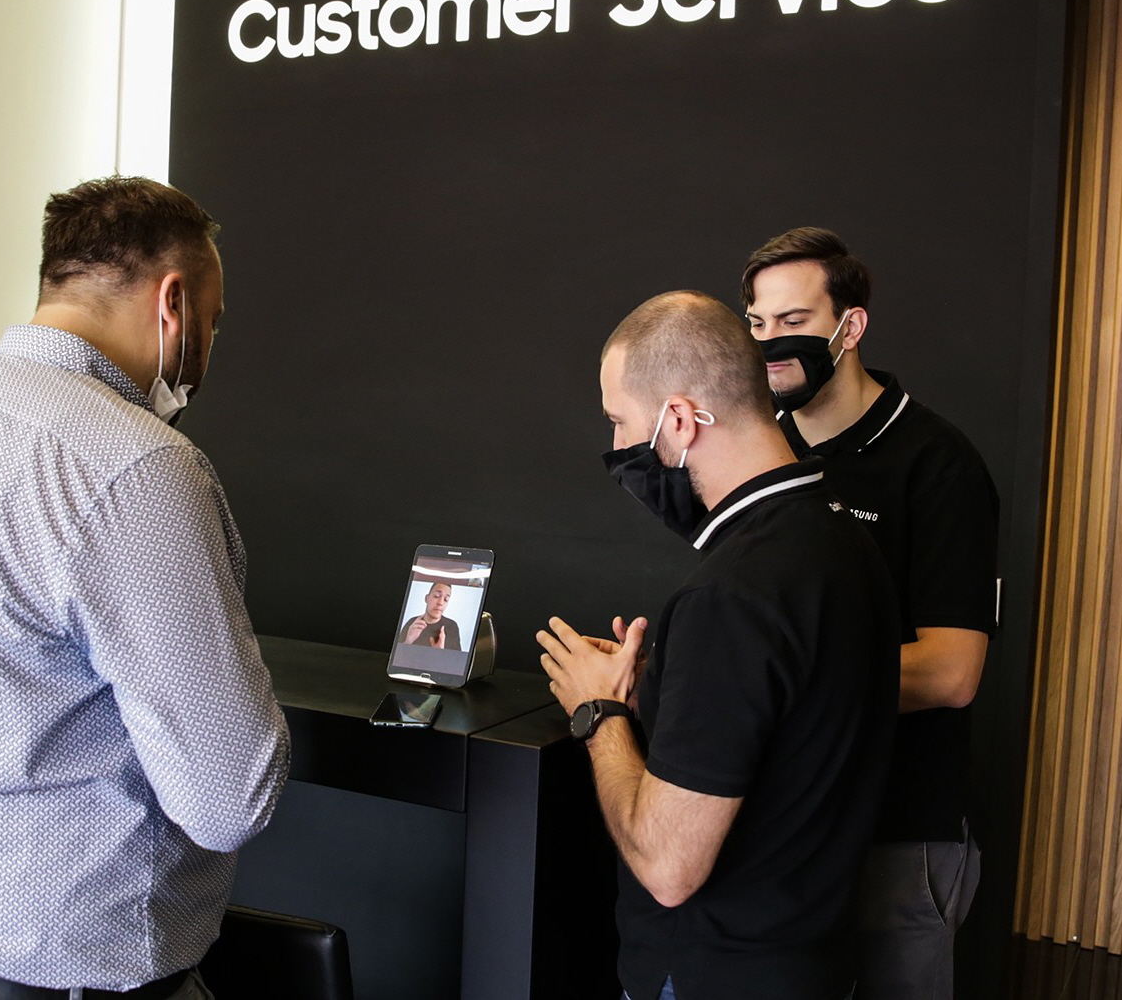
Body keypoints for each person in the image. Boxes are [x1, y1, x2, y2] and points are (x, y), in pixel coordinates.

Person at [0, 176, 291, 1000]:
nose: (210, 346)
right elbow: (230, 798)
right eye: (213, 321)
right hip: (42, 977)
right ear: (173, 304)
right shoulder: (137, 466)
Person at [537, 290, 899, 1000]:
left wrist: (597, 712)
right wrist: (668, 687)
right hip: (816, 963)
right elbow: (787, 715)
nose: (617, 445)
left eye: (619, 421)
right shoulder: (844, 541)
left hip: (712, 973)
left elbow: (668, 867)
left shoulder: (729, 596)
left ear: (678, 420)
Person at [741, 226, 999, 999]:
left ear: (848, 327)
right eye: (756, 323)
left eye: (793, 322)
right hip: (783, 824)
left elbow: (951, 673)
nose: (770, 343)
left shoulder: (937, 464)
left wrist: (779, 689)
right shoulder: (759, 453)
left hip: (899, 833)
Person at [398, 581, 461, 649]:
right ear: (426, 598)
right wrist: (408, 641)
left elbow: (457, 656)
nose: (440, 603)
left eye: (446, 599)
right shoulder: (412, 623)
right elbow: (397, 652)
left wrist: (440, 652)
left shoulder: (452, 626)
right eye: (436, 596)